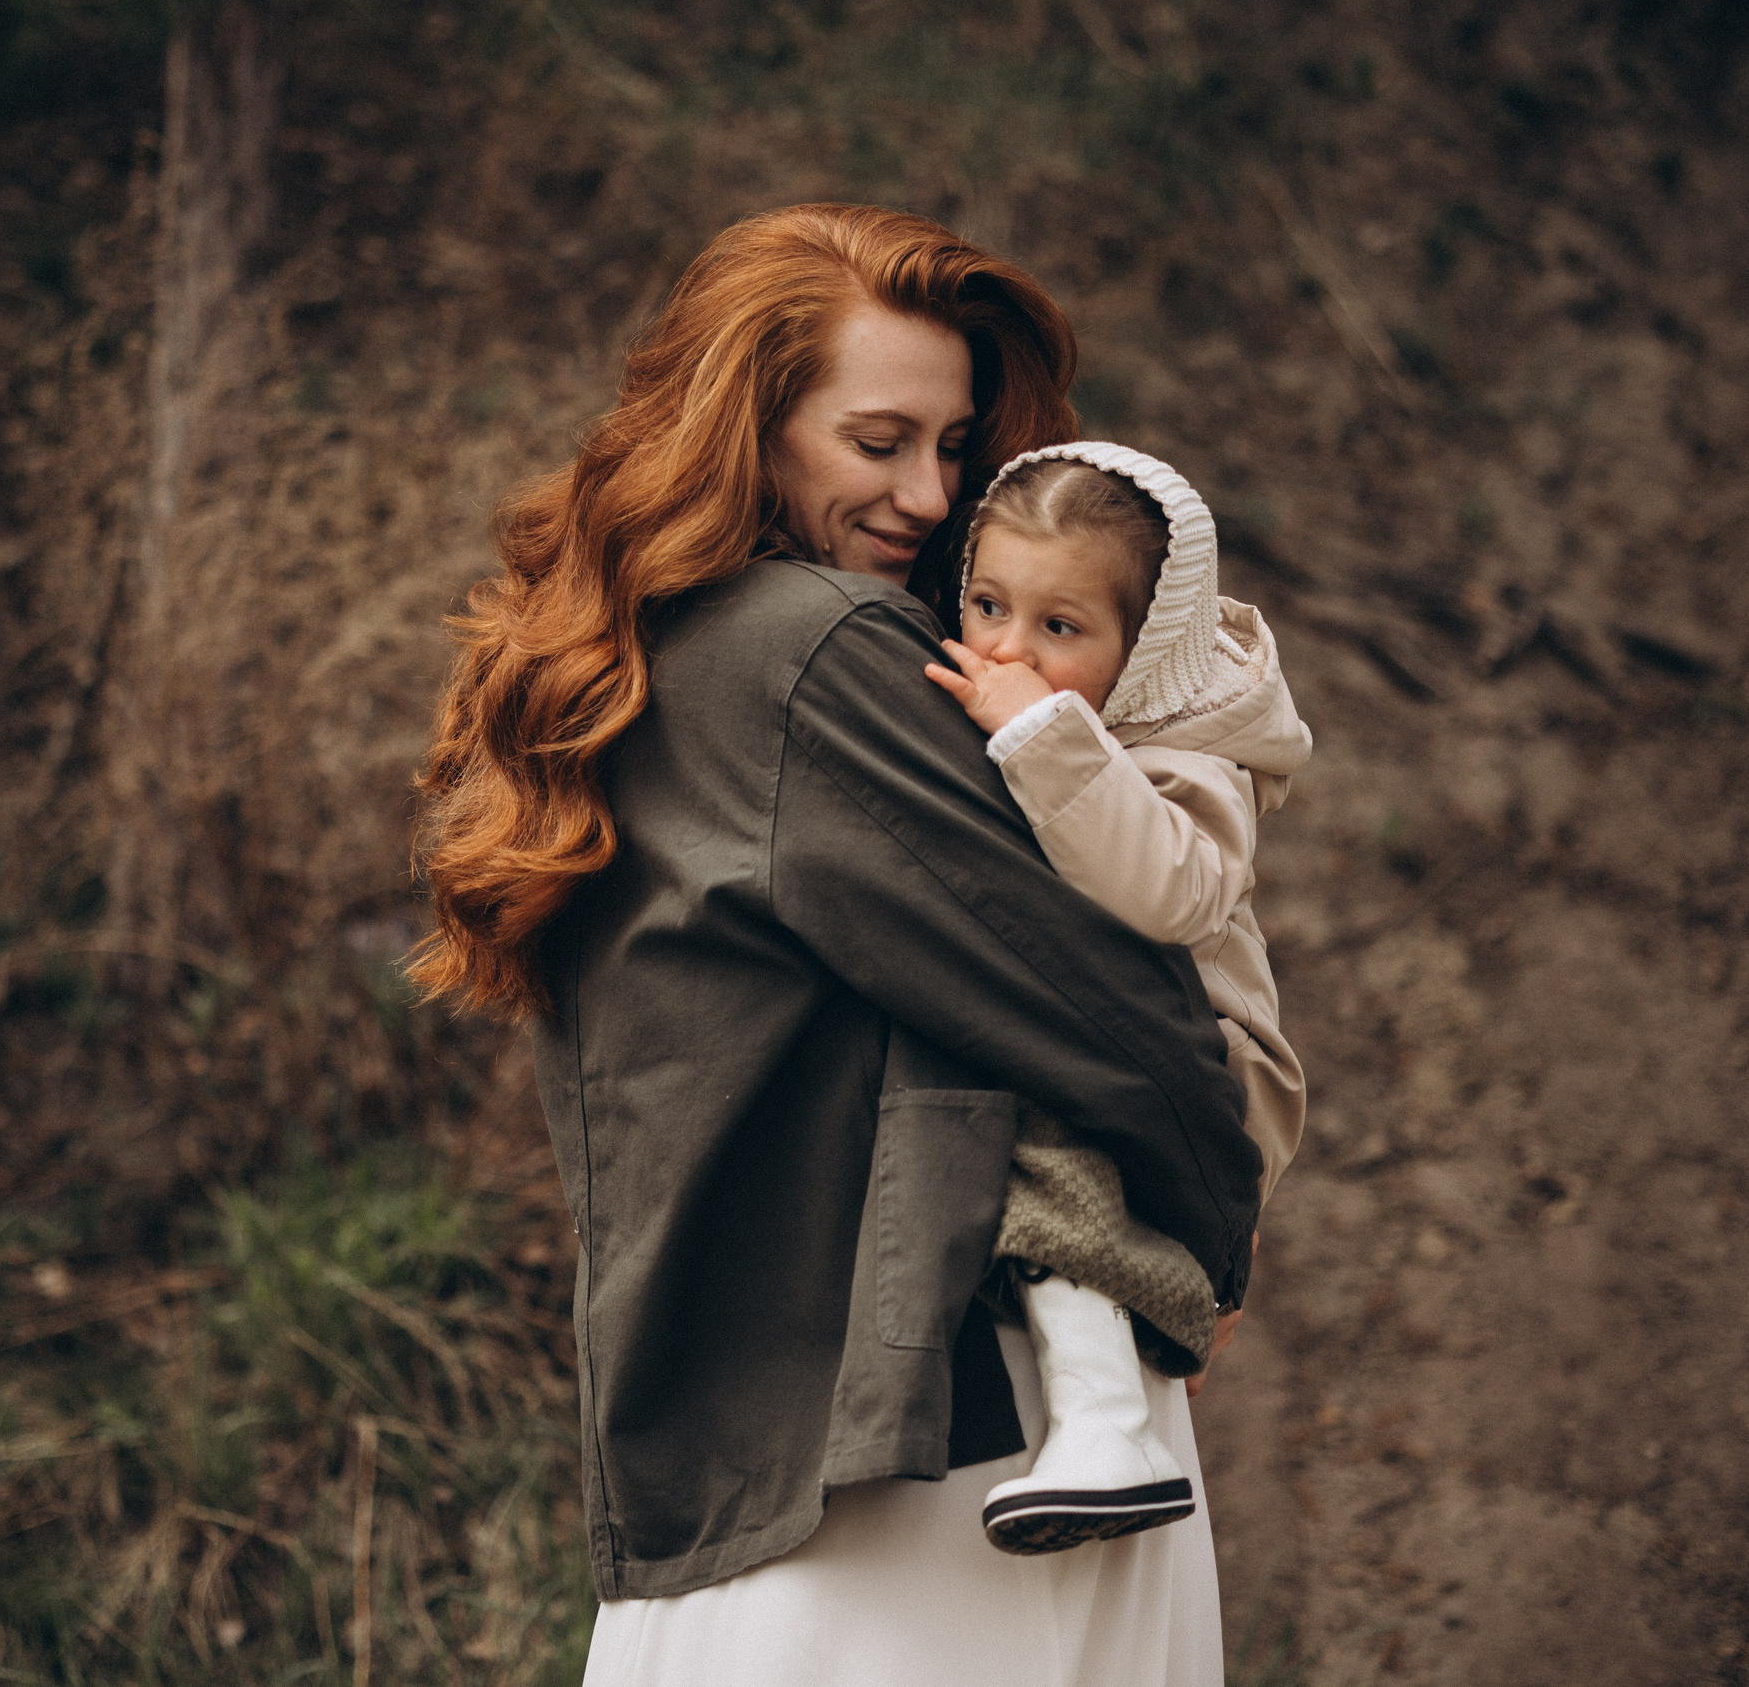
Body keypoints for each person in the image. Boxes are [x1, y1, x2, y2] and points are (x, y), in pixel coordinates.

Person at [412, 204, 1264, 1685]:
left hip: (733, 1446)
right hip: (937, 1438)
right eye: (878, 442)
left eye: (953, 446)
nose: (932, 496)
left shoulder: (627, 665)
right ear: (743, 422)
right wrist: (1207, 1226)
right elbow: (1110, 1007)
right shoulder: (816, 649)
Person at [922, 443, 1310, 1554]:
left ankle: (1103, 1426)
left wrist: (1040, 739)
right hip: (1119, 1043)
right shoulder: (1041, 714)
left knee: (1038, 1119)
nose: (1005, 649)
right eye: (989, 604)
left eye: (1060, 628)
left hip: (1213, 1061)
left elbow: (1173, 891)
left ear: (1144, 653)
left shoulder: (1190, 753)